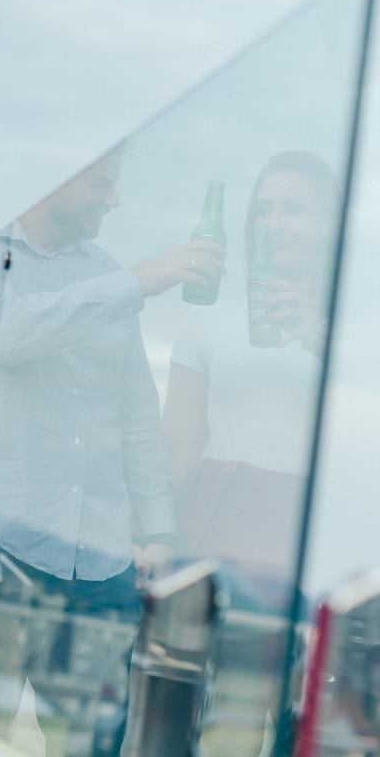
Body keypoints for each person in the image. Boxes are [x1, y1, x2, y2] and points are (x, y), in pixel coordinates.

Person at [0, 151, 225, 755]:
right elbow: (10, 332)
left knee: (117, 739)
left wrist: (160, 529)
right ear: (50, 177)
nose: (114, 200)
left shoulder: (106, 275)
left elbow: (136, 419)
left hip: (99, 562)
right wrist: (140, 281)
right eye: (103, 184)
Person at [162, 151, 339, 609]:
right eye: (265, 209)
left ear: (329, 224)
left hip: (317, 533)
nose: (275, 222)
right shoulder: (208, 322)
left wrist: (325, 342)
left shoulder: (358, 334)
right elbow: (178, 450)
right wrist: (153, 537)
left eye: (294, 209)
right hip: (217, 523)